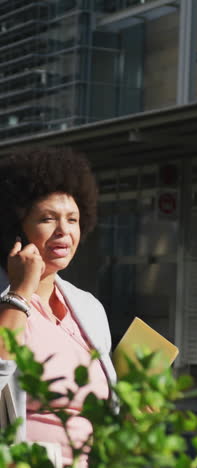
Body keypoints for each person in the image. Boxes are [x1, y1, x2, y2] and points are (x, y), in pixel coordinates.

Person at [0, 146, 117, 467]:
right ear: (15, 228)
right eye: (48, 218)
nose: (64, 231)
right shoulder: (7, 303)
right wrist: (20, 293)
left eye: (73, 219)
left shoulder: (88, 308)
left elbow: (107, 407)